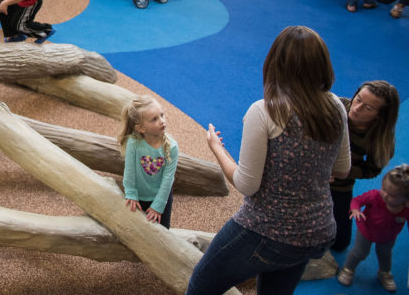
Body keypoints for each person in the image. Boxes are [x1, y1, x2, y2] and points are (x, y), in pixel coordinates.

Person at [187, 26, 351, 294]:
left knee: (201, 284)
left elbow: (247, 185)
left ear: (276, 63)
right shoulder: (335, 106)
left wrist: (216, 148)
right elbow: (342, 169)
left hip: (267, 230)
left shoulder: (264, 111)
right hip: (317, 230)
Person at [330, 80, 400, 251]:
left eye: (368, 108)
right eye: (358, 99)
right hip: (310, 174)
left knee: (340, 243)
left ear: (379, 116)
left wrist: (342, 171)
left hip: (341, 185)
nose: (357, 107)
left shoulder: (380, 140)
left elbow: (371, 170)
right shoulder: (335, 106)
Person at [336, 164, 409, 291]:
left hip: (388, 236)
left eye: (392, 195)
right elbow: (357, 200)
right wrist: (355, 210)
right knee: (360, 252)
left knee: (385, 254)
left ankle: (384, 273)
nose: (385, 195)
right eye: (384, 189)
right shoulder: (375, 196)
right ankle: (348, 269)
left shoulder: (406, 210)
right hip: (366, 231)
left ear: (406, 200)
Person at [119, 95, 178, 227]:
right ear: (141, 128)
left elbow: (168, 178)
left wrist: (158, 205)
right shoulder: (133, 143)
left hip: (161, 198)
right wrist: (131, 194)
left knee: (162, 233)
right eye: (154, 119)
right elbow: (129, 171)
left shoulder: (172, 147)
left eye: (162, 115)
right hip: (139, 196)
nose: (162, 121)